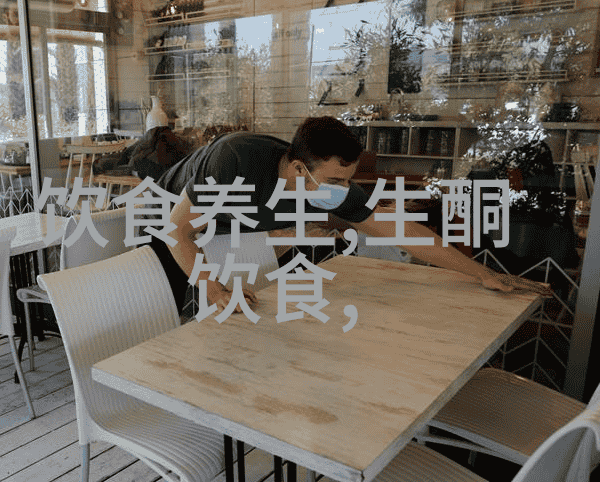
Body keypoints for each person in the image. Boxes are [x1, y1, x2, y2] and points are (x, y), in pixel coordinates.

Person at [151, 116, 552, 315]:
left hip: (236, 231)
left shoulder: (327, 185)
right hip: (168, 219)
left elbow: (399, 230)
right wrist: (213, 288)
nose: (341, 190)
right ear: (298, 169)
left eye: (347, 180)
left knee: (234, 308)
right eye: (334, 181)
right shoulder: (235, 160)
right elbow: (176, 232)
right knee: (173, 309)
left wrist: (481, 273)